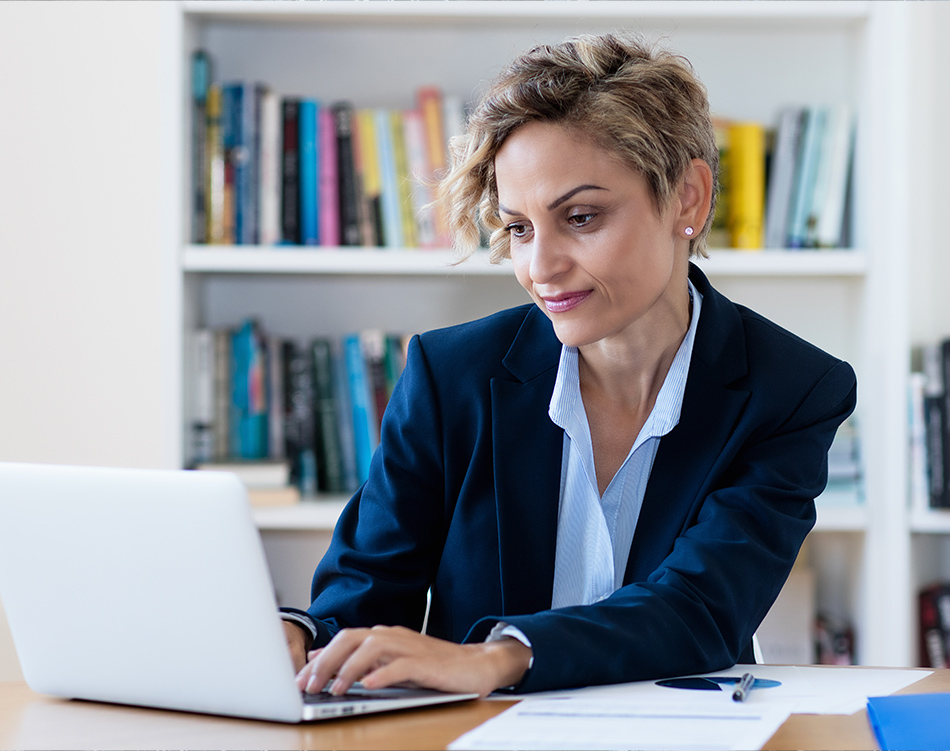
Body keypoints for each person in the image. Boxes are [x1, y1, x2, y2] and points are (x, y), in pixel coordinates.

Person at [283, 32, 857, 698]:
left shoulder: (791, 390)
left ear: (688, 199)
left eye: (580, 217)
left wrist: (499, 657)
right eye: (519, 227)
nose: (539, 267)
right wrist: (300, 634)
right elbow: (360, 601)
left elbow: (700, 605)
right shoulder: (450, 376)